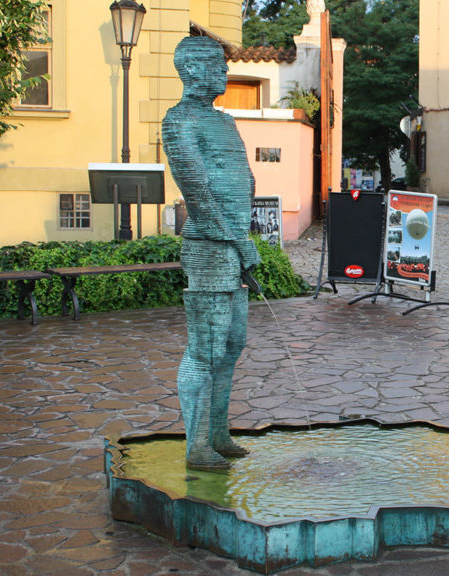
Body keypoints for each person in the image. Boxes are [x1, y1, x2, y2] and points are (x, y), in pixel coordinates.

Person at [163, 36, 261, 470]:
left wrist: (242, 238)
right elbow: (198, 192)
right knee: (205, 347)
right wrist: (239, 241)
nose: (224, 71)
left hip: (233, 245)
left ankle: (218, 432)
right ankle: (196, 446)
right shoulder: (178, 120)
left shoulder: (224, 121)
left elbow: (242, 178)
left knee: (232, 343)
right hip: (209, 247)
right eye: (216, 64)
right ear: (191, 69)